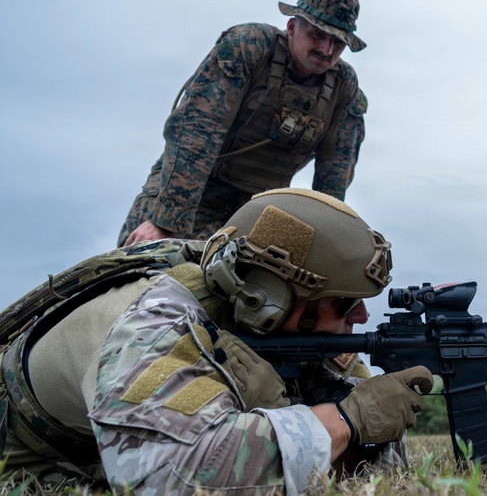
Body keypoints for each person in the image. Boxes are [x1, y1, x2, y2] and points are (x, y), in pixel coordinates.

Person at [0, 189, 433, 495]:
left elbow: (372, 453)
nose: (360, 317)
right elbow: (170, 479)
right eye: (345, 302)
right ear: (267, 297)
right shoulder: (155, 321)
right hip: (39, 465)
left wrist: (364, 421)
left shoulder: (288, 326)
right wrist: (343, 421)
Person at [118, 0, 370, 247]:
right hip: (188, 190)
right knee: (144, 263)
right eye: (317, 35)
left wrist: (323, 245)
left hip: (256, 212)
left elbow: (334, 175)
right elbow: (198, 130)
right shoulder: (250, 45)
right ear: (292, 27)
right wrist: (166, 222)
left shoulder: (344, 86)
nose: (327, 50)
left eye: (338, 42)